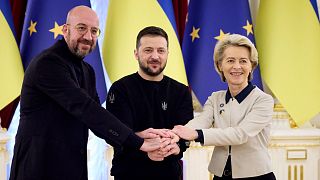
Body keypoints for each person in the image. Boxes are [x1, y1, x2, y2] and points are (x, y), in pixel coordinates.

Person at [9, 6, 166, 180]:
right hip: (38, 168)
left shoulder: (87, 70)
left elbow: (98, 118)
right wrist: (138, 142)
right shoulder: (48, 63)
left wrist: (134, 135)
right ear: (65, 30)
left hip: (73, 169)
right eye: (81, 28)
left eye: (94, 31)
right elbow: (86, 108)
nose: (88, 37)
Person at [172, 34, 276, 180]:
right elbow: (202, 121)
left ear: (251, 66)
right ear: (220, 65)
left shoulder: (263, 100)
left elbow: (240, 135)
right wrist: (176, 135)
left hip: (257, 175)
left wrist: (197, 134)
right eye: (230, 60)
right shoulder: (215, 98)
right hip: (221, 175)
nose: (237, 66)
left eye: (243, 61)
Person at [105, 26, 194, 180]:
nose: (155, 56)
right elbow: (113, 134)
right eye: (148, 50)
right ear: (136, 54)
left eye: (161, 50)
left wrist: (176, 148)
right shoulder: (120, 89)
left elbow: (185, 136)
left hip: (169, 174)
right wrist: (144, 146)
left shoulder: (181, 91)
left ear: (167, 54)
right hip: (129, 173)